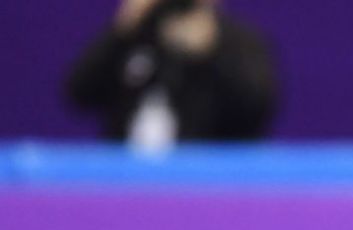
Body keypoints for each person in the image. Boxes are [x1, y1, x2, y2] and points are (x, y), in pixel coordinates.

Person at [65, 0, 276, 149]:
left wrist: (212, 53)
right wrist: (122, 30)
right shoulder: (134, 35)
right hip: (126, 177)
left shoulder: (237, 42)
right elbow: (78, 92)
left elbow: (257, 106)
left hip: (204, 180)